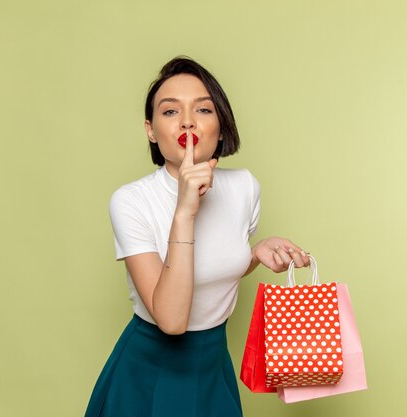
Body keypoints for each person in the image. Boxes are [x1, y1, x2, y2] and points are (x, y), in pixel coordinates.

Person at [84, 56, 310, 417]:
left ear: (221, 127)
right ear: (151, 131)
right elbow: (171, 320)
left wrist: (253, 254)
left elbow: (212, 273)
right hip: (150, 369)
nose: (187, 120)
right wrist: (184, 211)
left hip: (213, 364)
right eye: (170, 111)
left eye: (203, 109)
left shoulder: (245, 188)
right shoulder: (131, 201)